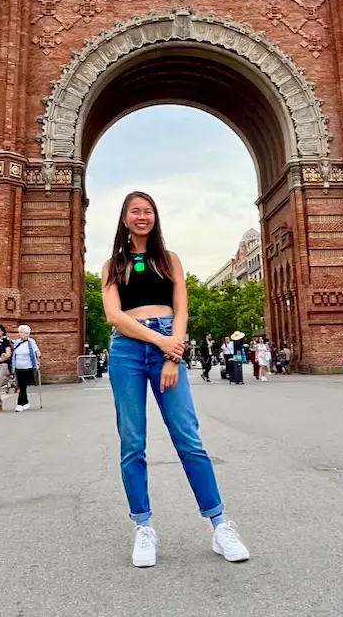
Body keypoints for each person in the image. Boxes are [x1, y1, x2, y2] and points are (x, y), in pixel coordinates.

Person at [101, 191, 249, 567]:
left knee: (188, 438)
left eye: (148, 211)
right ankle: (143, 527)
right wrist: (159, 341)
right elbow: (114, 317)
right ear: (124, 219)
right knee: (132, 442)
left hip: (168, 344)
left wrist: (172, 352)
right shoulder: (111, 266)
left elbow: (182, 309)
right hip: (128, 350)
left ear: (155, 217)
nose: (142, 216)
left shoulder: (170, 261)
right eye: (134, 211)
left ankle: (219, 524)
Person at [11, 324, 41, 411]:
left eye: (22, 332)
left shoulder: (31, 342)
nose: (20, 334)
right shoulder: (16, 342)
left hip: (28, 367)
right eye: (19, 332)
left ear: (27, 333)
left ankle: (20, 404)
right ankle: (24, 403)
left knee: (23, 386)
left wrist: (38, 362)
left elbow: (38, 352)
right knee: (22, 386)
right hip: (17, 367)